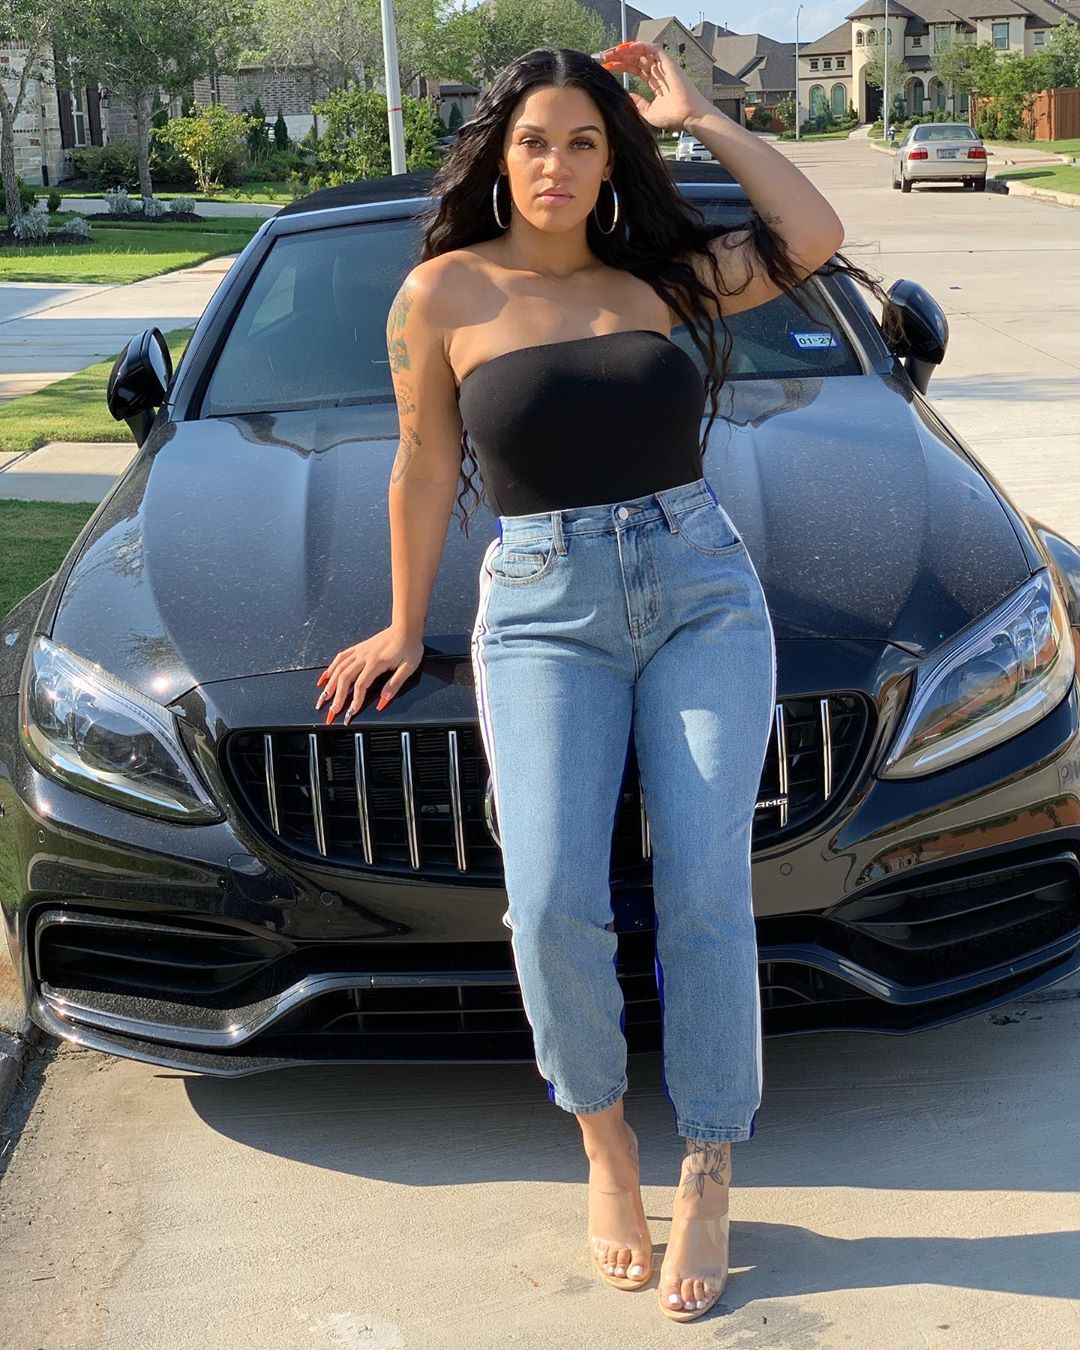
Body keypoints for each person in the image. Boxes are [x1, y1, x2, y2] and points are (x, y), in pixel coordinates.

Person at [315, 41, 896, 1324]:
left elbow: (812, 234)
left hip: (700, 590)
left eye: (584, 142)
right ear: (499, 154)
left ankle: (709, 1161)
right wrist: (403, 624)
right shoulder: (443, 293)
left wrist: (704, 117)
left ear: (611, 159)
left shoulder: (659, 280)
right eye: (535, 141)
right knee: (548, 899)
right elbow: (423, 464)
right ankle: (607, 1145)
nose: (558, 165)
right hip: (540, 606)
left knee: (704, 889)